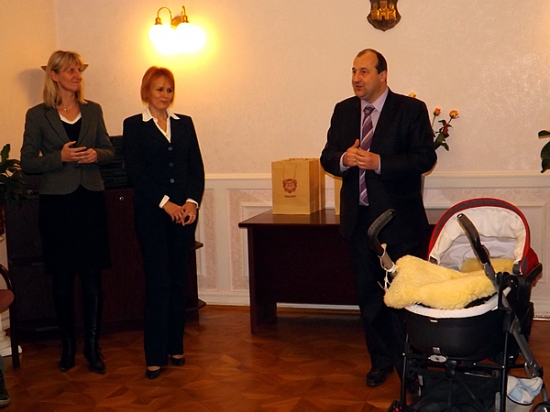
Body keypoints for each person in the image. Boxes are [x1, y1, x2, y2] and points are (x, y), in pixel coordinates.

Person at [320, 49, 436, 390]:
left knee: (405, 299)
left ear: (383, 75)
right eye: (354, 71)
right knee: (370, 299)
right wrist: (345, 158)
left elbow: (424, 158)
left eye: (364, 72)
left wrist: (379, 162)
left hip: (399, 223)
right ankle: (381, 362)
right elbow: (327, 157)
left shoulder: (411, 110)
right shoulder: (343, 110)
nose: (357, 78)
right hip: (359, 222)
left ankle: (412, 369)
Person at [21, 50, 114, 374]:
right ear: (55, 76)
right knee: (61, 279)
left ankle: (92, 346)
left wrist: (96, 155)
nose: (77, 75)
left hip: (90, 200)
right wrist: (58, 157)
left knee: (92, 278)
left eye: (79, 70)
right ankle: (68, 345)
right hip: (57, 205)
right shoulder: (38, 115)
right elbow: (28, 161)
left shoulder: (93, 110)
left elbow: (109, 149)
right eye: (70, 70)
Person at [122, 67, 205, 380]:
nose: (165, 95)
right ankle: (155, 355)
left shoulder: (185, 123)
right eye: (159, 89)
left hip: (184, 215)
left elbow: (195, 168)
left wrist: (191, 202)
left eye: (169, 89)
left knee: (178, 282)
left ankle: (175, 346)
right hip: (152, 215)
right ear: (147, 92)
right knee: (158, 283)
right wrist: (165, 203)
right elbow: (136, 173)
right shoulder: (134, 125)